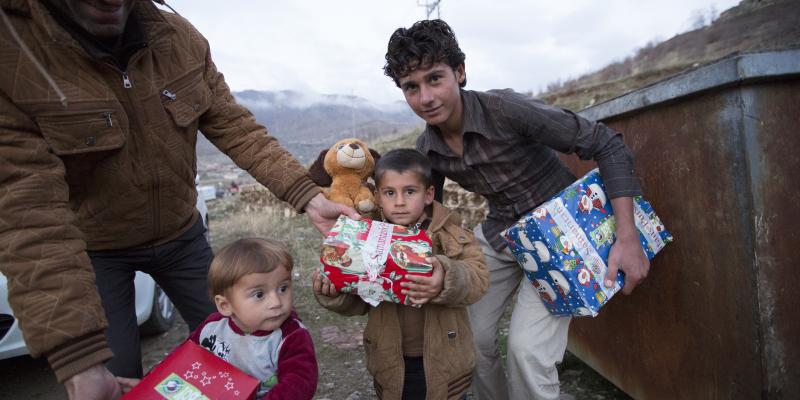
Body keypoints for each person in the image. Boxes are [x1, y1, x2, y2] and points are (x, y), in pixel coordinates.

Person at [0, 1, 354, 399]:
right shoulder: (13, 56)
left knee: (242, 340)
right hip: (97, 251)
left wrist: (306, 194)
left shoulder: (178, 39)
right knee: (114, 378)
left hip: (182, 236)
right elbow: (26, 211)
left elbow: (237, 128)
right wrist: (78, 357)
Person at [382, 20, 651, 400]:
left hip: (561, 233)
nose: (426, 97)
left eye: (435, 78)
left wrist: (628, 237)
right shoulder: (428, 150)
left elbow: (607, 144)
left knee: (526, 351)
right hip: (502, 234)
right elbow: (426, 215)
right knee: (465, 336)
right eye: (412, 87)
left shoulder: (505, 110)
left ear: (460, 72)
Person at [313, 148, 489, 400]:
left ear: (428, 194)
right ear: (377, 196)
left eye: (409, 191)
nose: (399, 202)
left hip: (446, 361)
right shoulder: (366, 239)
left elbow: (479, 278)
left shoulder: (449, 234)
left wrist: (445, 277)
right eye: (389, 193)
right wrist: (333, 290)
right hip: (390, 362)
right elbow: (359, 301)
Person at [119, 238, 318, 399]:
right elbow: (180, 362)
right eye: (259, 295)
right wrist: (151, 385)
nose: (276, 302)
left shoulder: (291, 336)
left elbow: (300, 383)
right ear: (225, 305)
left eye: (283, 288)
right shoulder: (212, 327)